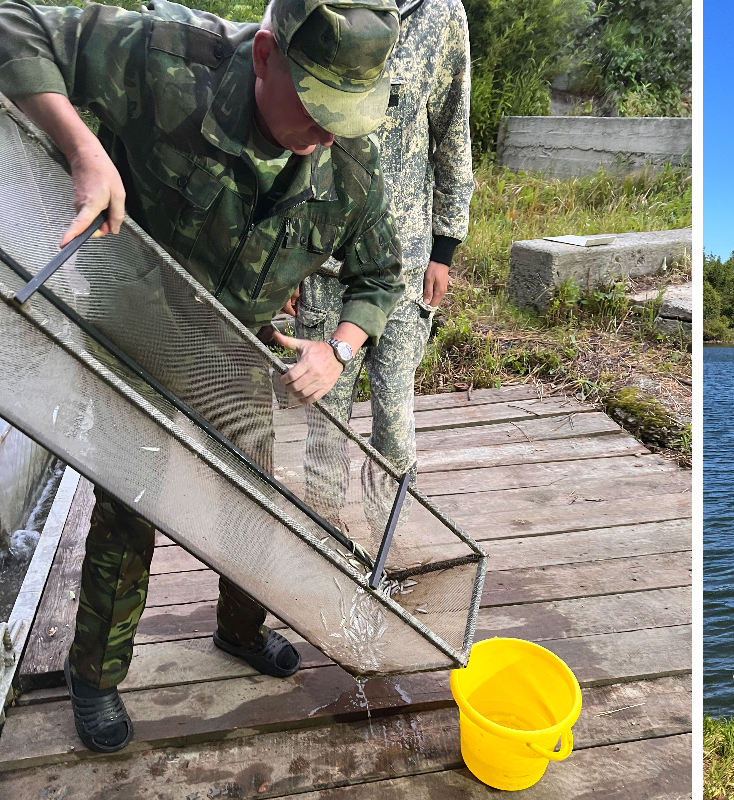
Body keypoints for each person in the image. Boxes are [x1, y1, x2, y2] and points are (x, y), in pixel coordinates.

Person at [0, 0, 405, 752]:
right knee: (131, 507)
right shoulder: (165, 56)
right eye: (316, 108)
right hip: (138, 327)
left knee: (260, 499)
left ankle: (238, 631)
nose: (327, 135)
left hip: (241, 348)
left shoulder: (349, 159)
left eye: (347, 117)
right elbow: (14, 23)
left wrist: (339, 348)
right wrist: (83, 146)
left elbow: (382, 276)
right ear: (264, 57)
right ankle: (95, 676)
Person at [293, 0, 473, 477]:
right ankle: (324, 541)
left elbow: (453, 134)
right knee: (324, 425)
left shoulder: (442, 14)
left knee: (395, 425)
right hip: (325, 261)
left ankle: (388, 539)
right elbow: (298, 126)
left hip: (405, 265)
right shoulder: (326, 7)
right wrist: (288, 258)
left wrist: (445, 248)